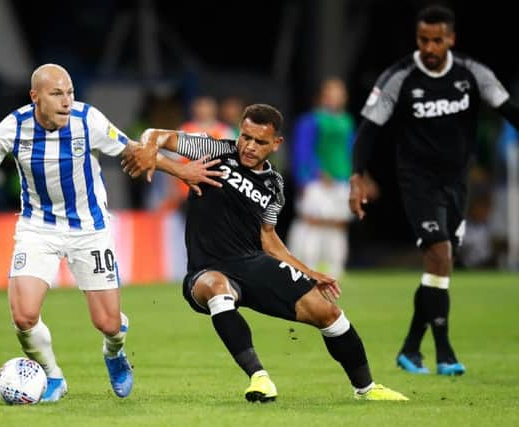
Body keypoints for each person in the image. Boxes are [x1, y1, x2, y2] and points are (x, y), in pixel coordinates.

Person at [0, 64, 163, 402]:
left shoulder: (87, 120)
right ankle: (53, 376)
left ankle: (114, 352)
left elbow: (137, 152)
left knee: (108, 323)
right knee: (23, 315)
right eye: (57, 93)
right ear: (35, 97)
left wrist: (184, 171)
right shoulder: (12, 128)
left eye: (70, 93)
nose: (66, 101)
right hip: (38, 227)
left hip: (89, 228)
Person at [133, 104, 408, 402]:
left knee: (327, 311)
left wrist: (309, 272)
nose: (249, 146)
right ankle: (260, 379)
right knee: (217, 288)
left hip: (252, 263)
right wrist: (162, 158)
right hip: (207, 268)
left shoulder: (275, 185)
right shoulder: (213, 148)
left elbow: (268, 237)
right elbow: (155, 135)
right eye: (245, 137)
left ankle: (367, 389)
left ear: (276, 143)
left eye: (260, 141)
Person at [349, 5, 519, 376]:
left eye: (436, 40)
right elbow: (368, 129)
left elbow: (508, 109)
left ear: (451, 39)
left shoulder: (472, 73)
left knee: (439, 270)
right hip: (416, 182)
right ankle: (444, 353)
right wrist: (357, 175)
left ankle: (411, 350)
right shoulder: (399, 77)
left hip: (457, 183)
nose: (429, 47)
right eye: (423, 40)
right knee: (440, 255)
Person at [287, 78, 356, 278]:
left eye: (339, 93)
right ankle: (305, 265)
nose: (335, 98)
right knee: (312, 221)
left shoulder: (346, 121)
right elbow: (302, 150)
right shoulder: (310, 120)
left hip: (341, 179)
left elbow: (351, 151)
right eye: (330, 93)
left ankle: (335, 267)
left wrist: (358, 176)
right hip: (316, 180)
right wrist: (309, 175)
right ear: (322, 96)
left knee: (337, 222)